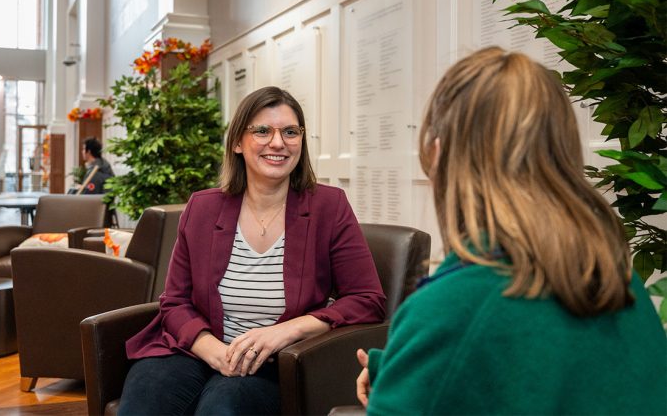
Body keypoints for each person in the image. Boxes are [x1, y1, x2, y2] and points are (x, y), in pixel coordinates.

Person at [355, 47, 667, 415]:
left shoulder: (451, 305)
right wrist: (403, 368)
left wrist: (412, 369)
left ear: (439, 152)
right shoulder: (614, 272)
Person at [119, 86, 386, 415]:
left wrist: (287, 330)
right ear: (237, 143)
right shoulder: (203, 207)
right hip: (199, 349)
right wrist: (214, 351)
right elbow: (175, 302)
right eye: (262, 130)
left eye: (290, 132)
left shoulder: (328, 206)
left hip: (276, 362)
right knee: (143, 402)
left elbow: (367, 299)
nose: (278, 143)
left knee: (222, 407)